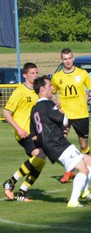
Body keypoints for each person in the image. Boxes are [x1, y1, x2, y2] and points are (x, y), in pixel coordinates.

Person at [30, 76, 91, 207]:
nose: (52, 89)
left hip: (51, 146)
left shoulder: (34, 109)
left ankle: (84, 191)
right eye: (50, 86)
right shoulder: (49, 104)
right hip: (58, 144)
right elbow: (65, 121)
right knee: (83, 170)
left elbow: (34, 135)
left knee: (89, 160)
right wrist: (60, 109)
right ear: (42, 89)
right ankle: (73, 201)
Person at [51, 48, 91, 183]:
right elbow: (51, 92)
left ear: (73, 58)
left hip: (81, 113)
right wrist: (55, 102)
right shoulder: (57, 77)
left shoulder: (82, 74)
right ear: (61, 60)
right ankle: (69, 171)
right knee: (61, 142)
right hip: (64, 114)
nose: (67, 61)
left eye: (69, 58)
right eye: (65, 59)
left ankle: (85, 167)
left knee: (83, 145)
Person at [2, 62, 46, 202]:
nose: (35, 75)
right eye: (32, 73)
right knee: (39, 156)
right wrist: (19, 129)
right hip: (24, 133)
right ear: (25, 75)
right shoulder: (19, 91)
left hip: (36, 133)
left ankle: (21, 193)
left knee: (41, 161)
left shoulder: (37, 91)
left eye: (36, 73)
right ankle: (10, 182)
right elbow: (6, 112)